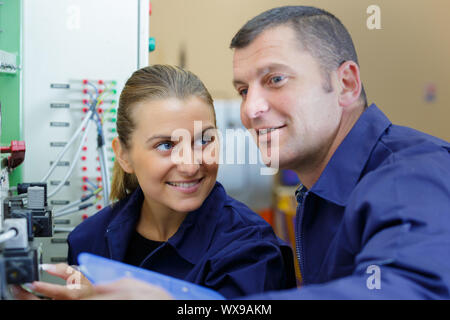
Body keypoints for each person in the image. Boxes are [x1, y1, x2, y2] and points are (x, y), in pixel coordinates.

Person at [50, 5, 450, 300]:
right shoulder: (320, 199)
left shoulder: (410, 174)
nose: (250, 109)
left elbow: (411, 290)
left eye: (275, 79)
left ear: (345, 83)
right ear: (123, 154)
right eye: (243, 90)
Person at [12, 64, 296, 300]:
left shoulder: (251, 250)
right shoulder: (89, 240)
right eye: (165, 145)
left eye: (204, 140)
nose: (190, 164)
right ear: (124, 155)